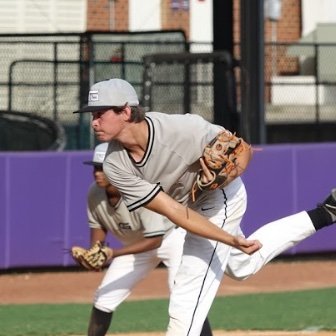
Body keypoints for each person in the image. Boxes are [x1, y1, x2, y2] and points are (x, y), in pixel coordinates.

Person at [74, 78, 336, 336]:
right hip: (187, 208)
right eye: (92, 114)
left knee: (187, 295)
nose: (94, 121)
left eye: (100, 113)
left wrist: (229, 175)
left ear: (126, 111)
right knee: (243, 265)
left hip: (220, 197)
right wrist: (229, 240)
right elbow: (174, 212)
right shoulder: (114, 165)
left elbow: (242, 149)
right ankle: (325, 213)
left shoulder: (181, 128)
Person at [82, 142, 214, 336]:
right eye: (95, 167)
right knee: (104, 298)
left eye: (102, 168)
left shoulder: (136, 189)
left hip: (171, 239)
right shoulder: (94, 193)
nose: (97, 173)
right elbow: (98, 226)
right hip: (135, 247)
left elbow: (156, 240)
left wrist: (112, 253)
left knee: (185, 297)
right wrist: (94, 253)